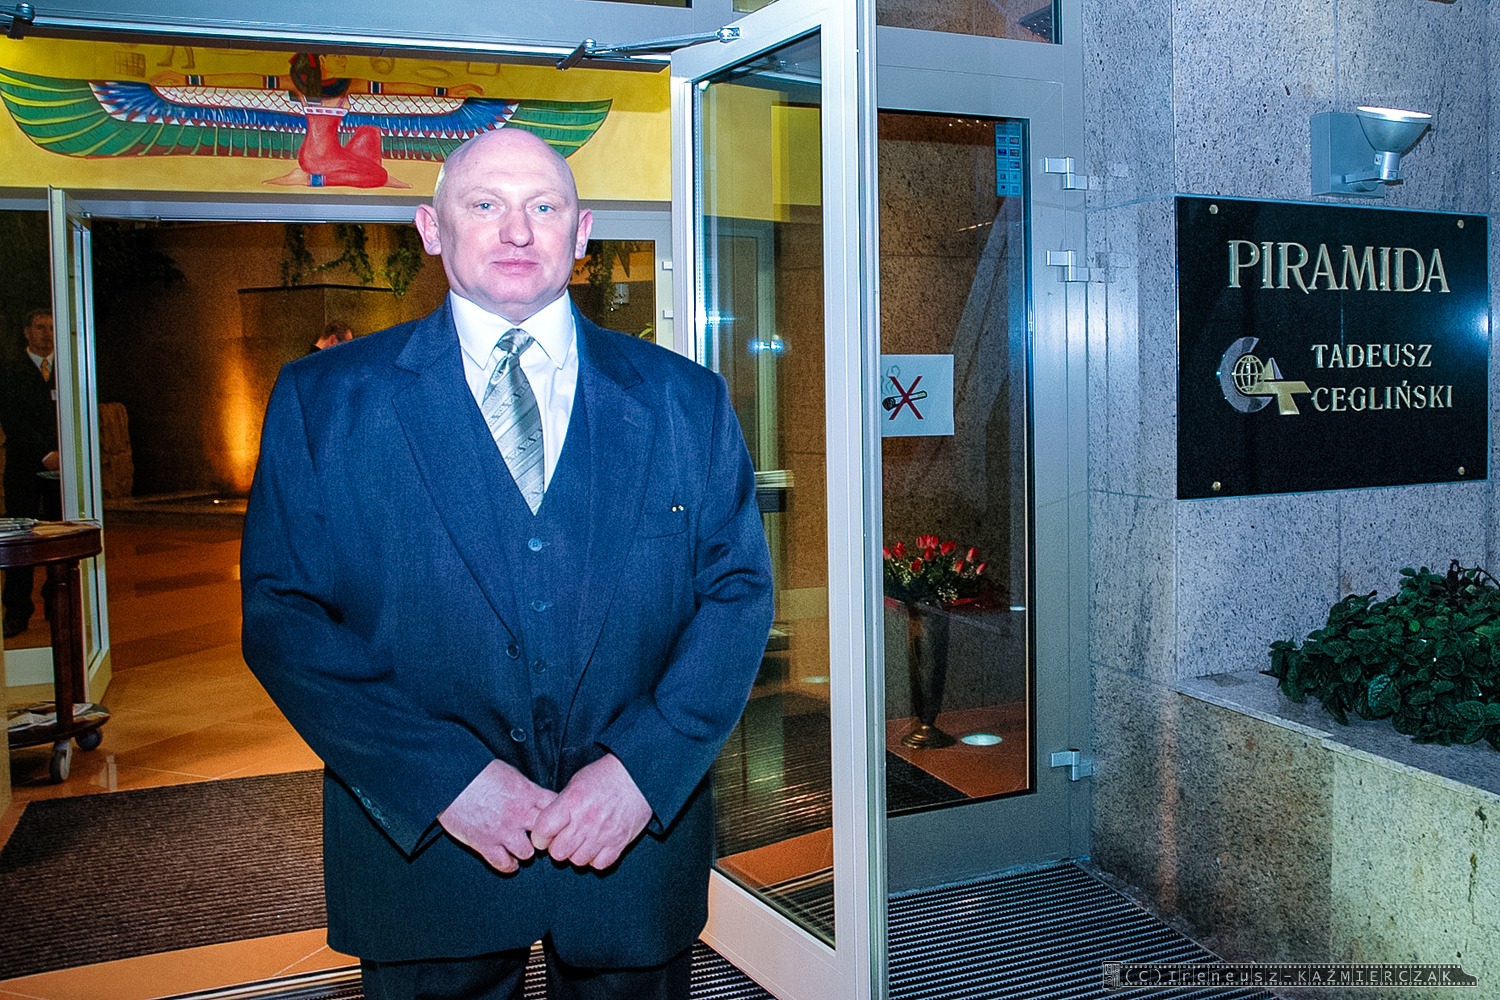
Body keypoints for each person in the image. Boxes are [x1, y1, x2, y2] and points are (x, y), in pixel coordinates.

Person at [240, 127, 774, 1000]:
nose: (518, 230)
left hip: (630, 844)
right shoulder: (324, 401)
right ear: (432, 228)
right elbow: (282, 617)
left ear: (582, 230)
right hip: (425, 847)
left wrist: (643, 770)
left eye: (544, 206)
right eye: (484, 203)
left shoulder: (687, 400)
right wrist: (443, 781)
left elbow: (737, 596)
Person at [1, 308, 61, 639]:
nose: (46, 334)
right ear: (27, 332)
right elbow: (12, 418)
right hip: (24, 468)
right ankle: (17, 611)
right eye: (40, 327)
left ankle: (58, 604)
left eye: (51, 328)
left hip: (61, 471)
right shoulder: (11, 371)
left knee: (58, 537)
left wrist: (64, 454)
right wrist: (44, 454)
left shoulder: (65, 370)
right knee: (22, 538)